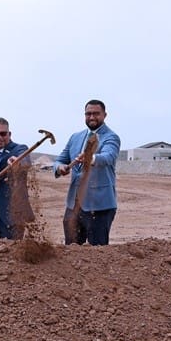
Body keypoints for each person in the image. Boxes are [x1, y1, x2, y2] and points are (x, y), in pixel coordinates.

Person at [54, 99, 121, 245]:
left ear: (104, 115)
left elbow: (107, 157)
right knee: (71, 251)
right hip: (73, 205)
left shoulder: (111, 137)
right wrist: (60, 168)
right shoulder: (75, 137)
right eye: (88, 114)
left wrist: (90, 157)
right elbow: (60, 159)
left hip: (99, 206)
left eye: (96, 114)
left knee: (97, 253)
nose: (91, 117)